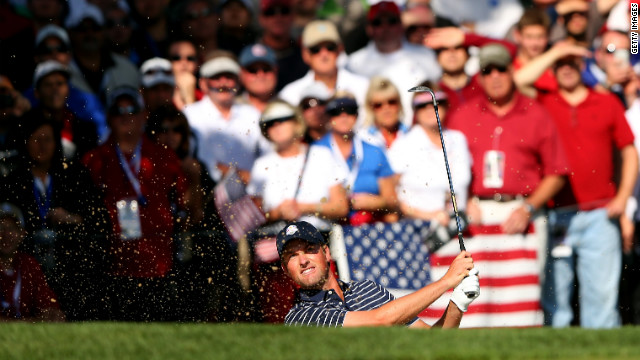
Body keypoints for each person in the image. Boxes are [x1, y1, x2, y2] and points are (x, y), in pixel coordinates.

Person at [443, 44, 569, 327]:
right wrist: (462, 200)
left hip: (521, 210)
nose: (496, 76)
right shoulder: (462, 115)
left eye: (502, 69)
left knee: (523, 297)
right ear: (481, 77)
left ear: (513, 72)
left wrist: (528, 207)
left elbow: (557, 171)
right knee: (476, 295)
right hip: (476, 211)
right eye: (488, 71)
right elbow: (446, 168)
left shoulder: (535, 112)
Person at [515, 43, 638, 328]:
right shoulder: (544, 102)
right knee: (555, 302)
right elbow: (518, 80)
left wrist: (622, 198)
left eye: (572, 63)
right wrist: (556, 51)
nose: (567, 68)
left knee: (602, 302)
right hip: (556, 214)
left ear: (583, 67)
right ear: (553, 68)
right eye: (561, 64)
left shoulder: (606, 102)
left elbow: (630, 152)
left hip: (599, 214)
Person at [82, 86, 188, 321]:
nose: (125, 116)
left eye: (132, 110)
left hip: (160, 263)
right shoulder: (93, 160)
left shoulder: (165, 156)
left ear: (144, 115)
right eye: (118, 111)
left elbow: (182, 204)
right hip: (113, 265)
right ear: (108, 116)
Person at [0, 114, 109, 320]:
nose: (42, 145)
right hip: (26, 266)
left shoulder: (74, 177)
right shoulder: (12, 181)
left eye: (48, 139)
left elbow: (101, 220)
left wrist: (72, 219)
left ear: (56, 143)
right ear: (26, 142)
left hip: (71, 267)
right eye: (36, 139)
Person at [278, 220, 479, 327]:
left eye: (309, 249)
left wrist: (458, 303)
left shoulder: (367, 290)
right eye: (292, 256)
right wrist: (446, 281)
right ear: (286, 270)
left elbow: (432, 341)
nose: (303, 260)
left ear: (326, 252)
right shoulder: (300, 317)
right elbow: (379, 321)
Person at [247, 100, 349, 233]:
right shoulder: (261, 165)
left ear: (297, 123)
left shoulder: (322, 156)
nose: (277, 126)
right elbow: (252, 217)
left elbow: (341, 207)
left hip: (319, 238)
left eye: (282, 120)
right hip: (276, 242)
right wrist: (278, 213)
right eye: (270, 123)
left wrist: (303, 208)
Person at [387, 85, 471, 227]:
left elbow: (468, 185)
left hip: (461, 227)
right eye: (421, 105)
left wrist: (471, 203)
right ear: (415, 111)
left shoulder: (458, 139)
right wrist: (428, 216)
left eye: (435, 103)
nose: (429, 109)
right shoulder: (403, 145)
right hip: (420, 229)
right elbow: (389, 194)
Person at [183, 53, 272, 184]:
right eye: (216, 78)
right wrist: (230, 173)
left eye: (229, 77)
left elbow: (268, 155)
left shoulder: (253, 114)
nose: (223, 83)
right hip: (203, 191)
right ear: (203, 84)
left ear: (238, 82)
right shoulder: (189, 115)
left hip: (249, 193)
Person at [315, 94, 398, 225]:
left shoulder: (374, 151)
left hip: (368, 226)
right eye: (336, 112)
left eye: (350, 111)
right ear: (328, 118)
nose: (343, 117)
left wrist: (376, 202)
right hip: (327, 227)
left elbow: (392, 202)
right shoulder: (315, 151)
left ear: (357, 116)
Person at [279, 20, 369, 123]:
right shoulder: (290, 95)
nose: (324, 54)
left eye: (330, 47)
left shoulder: (364, 88)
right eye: (316, 49)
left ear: (340, 50)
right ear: (305, 54)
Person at [0, 202, 66, 322]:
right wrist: (32, 322)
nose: (6, 234)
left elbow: (51, 309)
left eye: (12, 229)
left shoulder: (29, 264)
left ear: (22, 234)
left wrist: (52, 314)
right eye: (0, 228)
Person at [31, 60, 99, 159]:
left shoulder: (84, 129)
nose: (55, 90)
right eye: (48, 85)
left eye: (59, 84)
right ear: (37, 92)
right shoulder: (25, 127)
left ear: (68, 89)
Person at [256, 0, 309, 91]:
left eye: (284, 11)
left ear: (293, 16)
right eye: (270, 12)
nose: (278, 18)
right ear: (261, 18)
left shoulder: (304, 56)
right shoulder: (250, 55)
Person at [359, 77, 409, 149]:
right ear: (371, 108)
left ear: (399, 103)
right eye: (378, 105)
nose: (386, 109)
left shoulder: (412, 134)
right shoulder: (363, 140)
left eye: (391, 102)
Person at [237, 43, 279, 113]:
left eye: (266, 69)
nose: (260, 75)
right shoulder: (231, 107)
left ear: (276, 71)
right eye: (252, 70)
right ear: (241, 74)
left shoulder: (291, 104)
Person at [167, 38, 202, 110]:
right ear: (167, 61)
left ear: (198, 64)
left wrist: (189, 99)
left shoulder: (205, 99)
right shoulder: (158, 96)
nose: (184, 63)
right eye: (176, 58)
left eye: (190, 58)